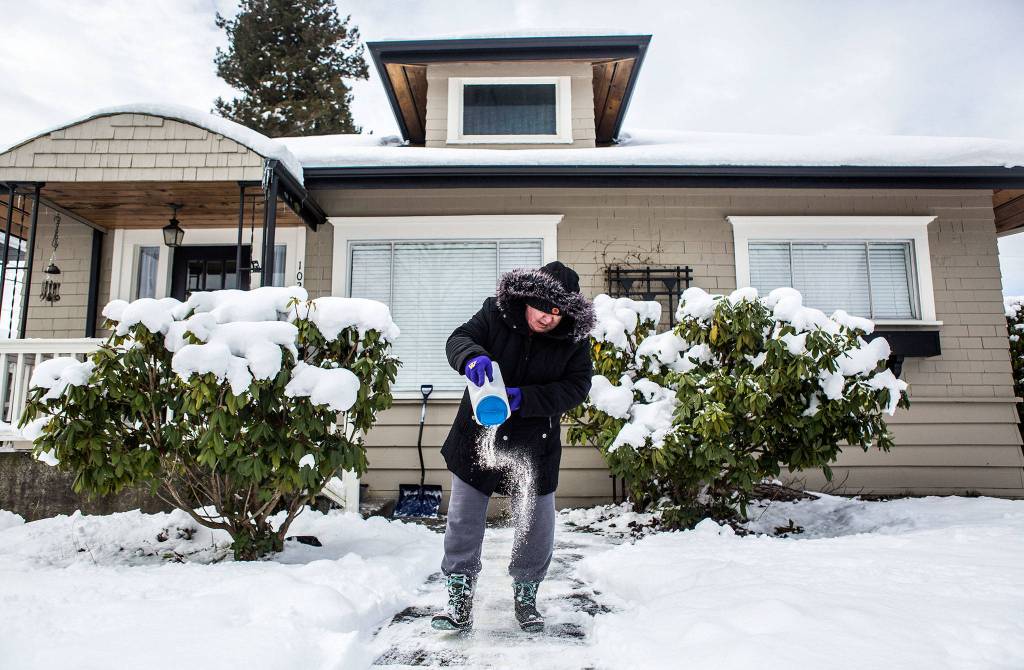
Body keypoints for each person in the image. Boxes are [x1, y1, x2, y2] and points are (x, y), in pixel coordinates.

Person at [431, 260, 595, 633]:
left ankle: (526, 595)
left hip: (533, 447)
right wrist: (472, 357)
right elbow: (458, 338)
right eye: (543, 308)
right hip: (478, 438)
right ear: (527, 298)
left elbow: (576, 387)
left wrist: (526, 399)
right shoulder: (496, 313)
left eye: (558, 312)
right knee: (464, 522)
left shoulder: (574, 339)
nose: (548, 318)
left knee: (535, 526)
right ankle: (459, 597)